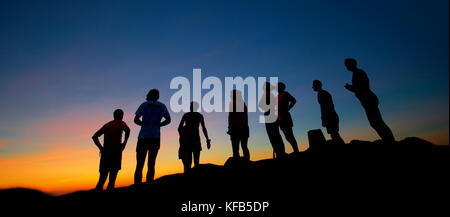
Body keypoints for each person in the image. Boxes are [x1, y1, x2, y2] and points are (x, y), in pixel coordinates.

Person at [344, 58, 395, 143]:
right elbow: (359, 88)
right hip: (367, 100)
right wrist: (351, 88)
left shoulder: (358, 73)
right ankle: (388, 139)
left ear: (351, 64)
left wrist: (350, 87)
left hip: (368, 100)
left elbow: (361, 88)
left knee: (377, 122)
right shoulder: (357, 73)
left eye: (347, 64)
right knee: (376, 122)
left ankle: (389, 140)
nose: (346, 67)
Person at [134, 89, 171, 184]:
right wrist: (159, 124)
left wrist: (143, 124)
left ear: (149, 95)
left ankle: (137, 185)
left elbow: (136, 120)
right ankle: (149, 184)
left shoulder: (144, 104)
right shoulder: (162, 106)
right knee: (151, 163)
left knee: (139, 164)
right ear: (157, 96)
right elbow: (168, 120)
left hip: (143, 137)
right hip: (155, 137)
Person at [92, 109, 130, 190]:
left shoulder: (107, 125)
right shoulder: (121, 123)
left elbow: (94, 136)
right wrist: (124, 143)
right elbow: (128, 130)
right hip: (116, 150)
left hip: (106, 150)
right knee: (113, 176)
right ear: (121, 116)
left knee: (102, 177)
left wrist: (101, 148)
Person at [178, 101, 211, 174]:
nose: (190, 107)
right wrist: (207, 140)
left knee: (189, 162)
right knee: (195, 162)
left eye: (191, 106)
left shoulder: (186, 115)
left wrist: (182, 138)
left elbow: (179, 128)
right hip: (194, 139)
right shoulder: (199, 115)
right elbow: (203, 128)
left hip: (189, 140)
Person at [312, 80, 345, 144]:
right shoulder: (321, 93)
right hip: (330, 116)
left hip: (330, 116)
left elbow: (324, 107)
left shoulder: (322, 94)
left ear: (317, 85)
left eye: (313, 85)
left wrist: (324, 118)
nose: (312, 87)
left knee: (335, 135)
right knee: (334, 134)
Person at [259, 82, 286, 158]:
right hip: (273, 116)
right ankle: (280, 152)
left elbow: (260, 104)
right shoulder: (271, 95)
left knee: (273, 135)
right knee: (276, 135)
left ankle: (279, 153)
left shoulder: (267, 95)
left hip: (270, 117)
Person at [277, 82, 300, 153]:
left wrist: (288, 108)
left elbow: (294, 100)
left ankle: (296, 150)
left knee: (290, 135)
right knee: (287, 136)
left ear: (281, 87)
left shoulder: (285, 94)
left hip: (285, 117)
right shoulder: (277, 96)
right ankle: (295, 149)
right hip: (280, 118)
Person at [227, 89, 250, 161]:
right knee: (244, 146)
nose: (230, 96)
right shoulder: (243, 104)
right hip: (244, 127)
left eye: (231, 94)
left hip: (236, 127)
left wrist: (230, 127)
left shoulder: (233, 103)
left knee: (235, 148)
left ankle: (237, 164)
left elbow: (231, 116)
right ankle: (247, 162)